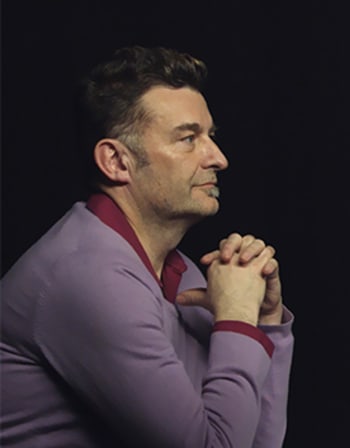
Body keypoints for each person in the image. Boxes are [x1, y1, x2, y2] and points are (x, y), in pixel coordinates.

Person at [0, 46, 294, 447]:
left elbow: (256, 441)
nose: (219, 158)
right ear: (117, 162)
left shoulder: (181, 273)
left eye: (211, 137)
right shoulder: (88, 277)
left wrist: (264, 321)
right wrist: (237, 319)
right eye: (188, 138)